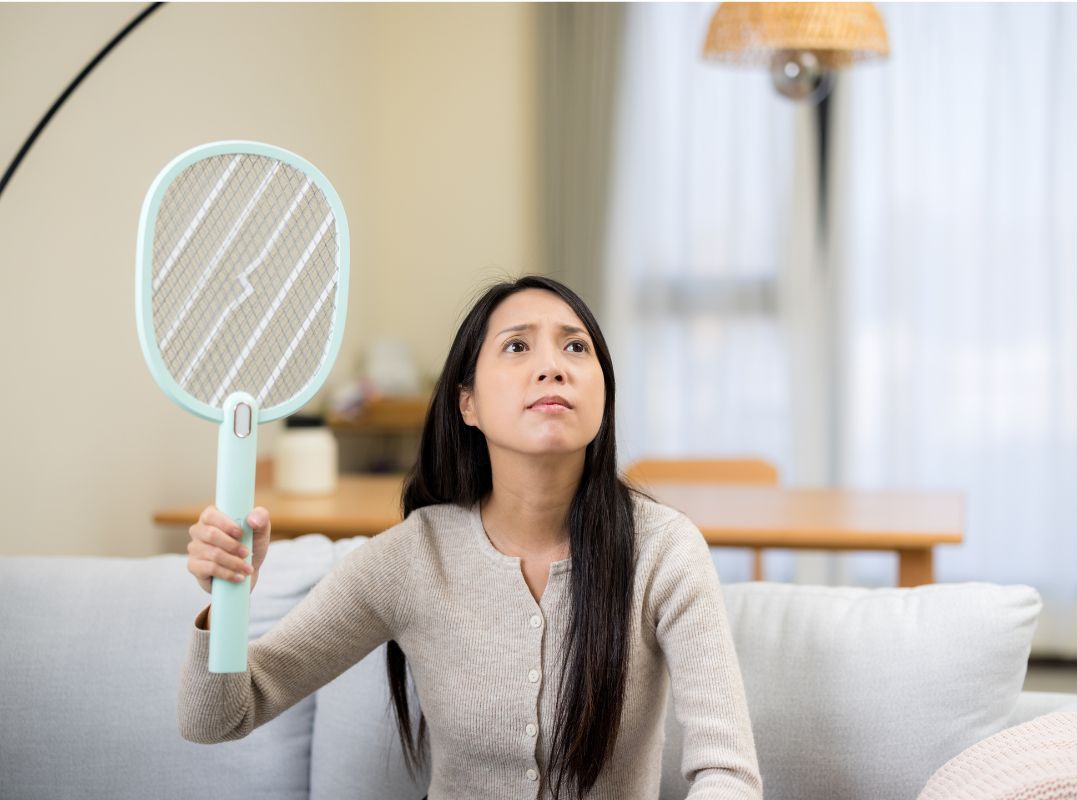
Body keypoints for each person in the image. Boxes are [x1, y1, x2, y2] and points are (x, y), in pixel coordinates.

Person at [178, 274, 762, 799]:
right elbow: (219, 718)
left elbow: (728, 775)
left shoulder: (664, 550)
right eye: (517, 345)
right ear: (468, 403)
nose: (553, 365)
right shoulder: (411, 557)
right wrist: (226, 602)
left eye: (575, 346)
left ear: (603, 396)